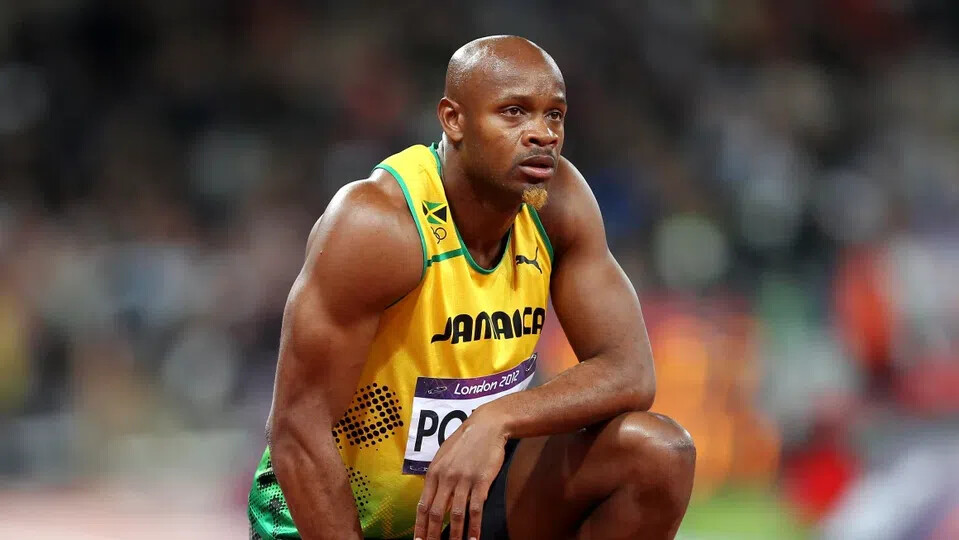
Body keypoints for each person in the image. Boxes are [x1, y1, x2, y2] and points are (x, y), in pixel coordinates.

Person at [248, 35, 695, 540]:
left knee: (658, 454)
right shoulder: (378, 225)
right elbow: (297, 430)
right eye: (514, 112)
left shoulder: (560, 205)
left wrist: (497, 418)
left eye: (554, 115)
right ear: (453, 120)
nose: (543, 134)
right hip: (332, 522)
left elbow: (630, 371)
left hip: (463, 506)